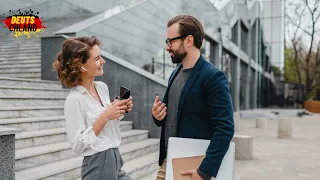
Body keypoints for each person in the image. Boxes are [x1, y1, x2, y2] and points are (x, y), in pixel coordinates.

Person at [151, 15, 234, 180]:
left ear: (188, 41)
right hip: (169, 159)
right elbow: (176, 116)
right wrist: (158, 116)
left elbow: (225, 127)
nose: (167, 47)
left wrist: (205, 170)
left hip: (193, 165)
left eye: (171, 41)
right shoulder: (175, 74)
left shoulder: (213, 77)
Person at [53, 36, 133, 180]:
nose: (103, 61)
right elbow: (77, 145)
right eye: (97, 59)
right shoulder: (74, 99)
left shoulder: (102, 88)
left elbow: (107, 124)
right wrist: (105, 116)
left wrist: (119, 109)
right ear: (81, 66)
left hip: (115, 158)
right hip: (97, 164)